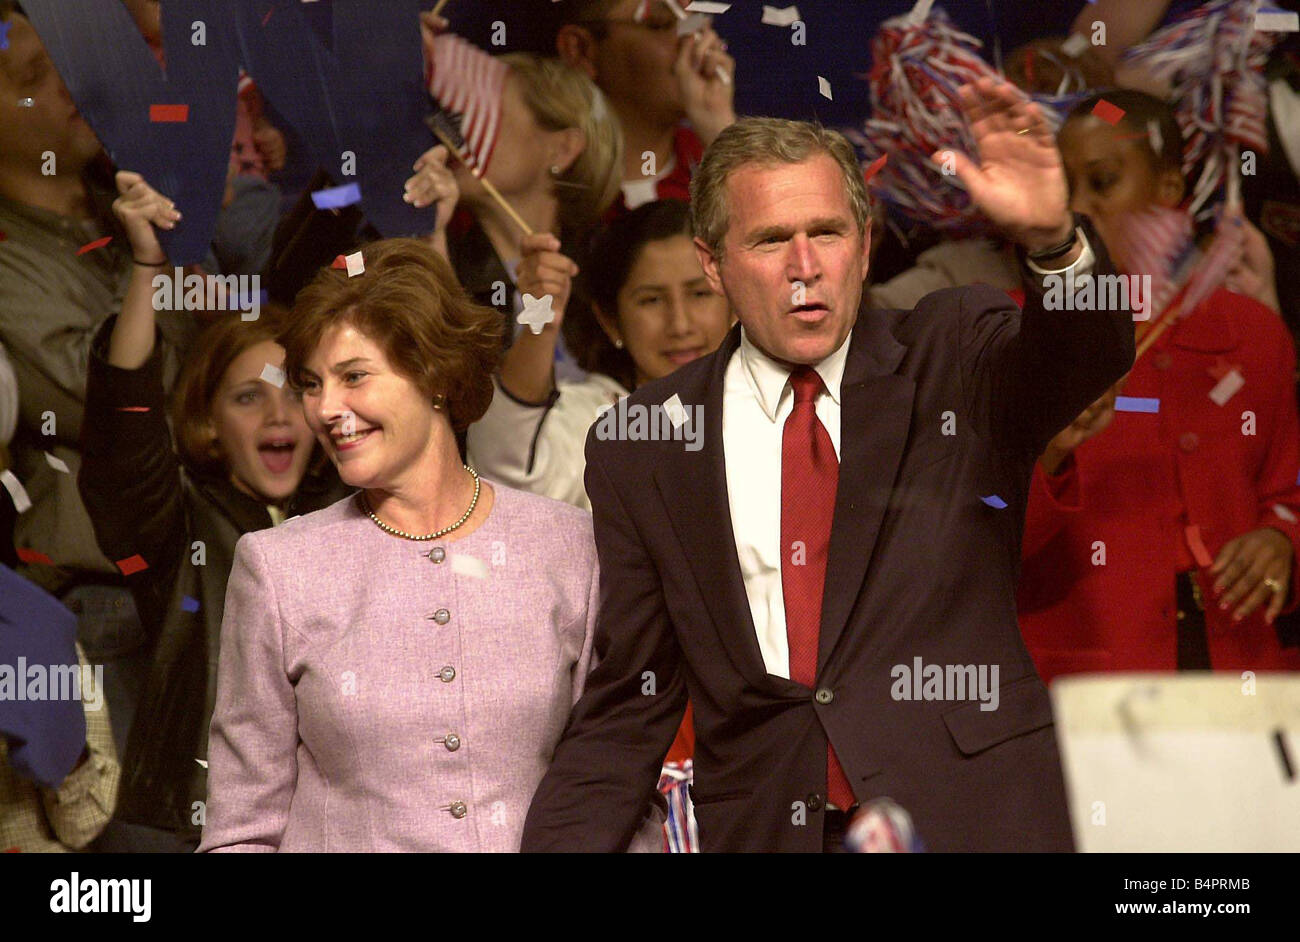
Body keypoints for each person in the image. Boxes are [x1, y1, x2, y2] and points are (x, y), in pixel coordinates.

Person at [522, 80, 1134, 853]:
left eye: (828, 233)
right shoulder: (642, 443)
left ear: (867, 244)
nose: (805, 267)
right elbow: (629, 702)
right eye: (772, 240)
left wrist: (1055, 242)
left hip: (979, 818)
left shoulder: (950, 351)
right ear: (713, 263)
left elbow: (1084, 357)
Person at [198, 238, 662, 852]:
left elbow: (617, 788)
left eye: (354, 376)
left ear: (435, 375)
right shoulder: (280, 568)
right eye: (312, 383)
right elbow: (240, 832)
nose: (326, 409)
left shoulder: (568, 546)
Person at [76, 171, 346, 851]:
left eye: (294, 392)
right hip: (188, 827)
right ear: (206, 424)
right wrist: (146, 268)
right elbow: (124, 432)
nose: (278, 412)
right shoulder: (179, 524)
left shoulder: (354, 519)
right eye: (248, 397)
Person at [1017, 90, 1300, 679]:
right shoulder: (1013, 336)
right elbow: (977, 527)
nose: (1077, 208)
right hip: (1090, 686)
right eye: (1062, 188)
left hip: (1240, 669)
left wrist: (1281, 541)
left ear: (1169, 190)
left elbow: (1287, 493)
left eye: (1103, 181)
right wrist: (1050, 452)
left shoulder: (1252, 333)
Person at [468, 199, 731, 511]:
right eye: (651, 301)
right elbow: (509, 474)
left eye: (699, 294)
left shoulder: (779, 400)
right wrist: (541, 321)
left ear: (735, 303)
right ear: (610, 320)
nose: (680, 325)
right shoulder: (596, 419)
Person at [555, 0, 735, 216]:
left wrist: (721, 130)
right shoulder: (547, 190)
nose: (698, 45)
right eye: (661, 24)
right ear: (580, 50)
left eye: (698, 20)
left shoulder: (720, 164)